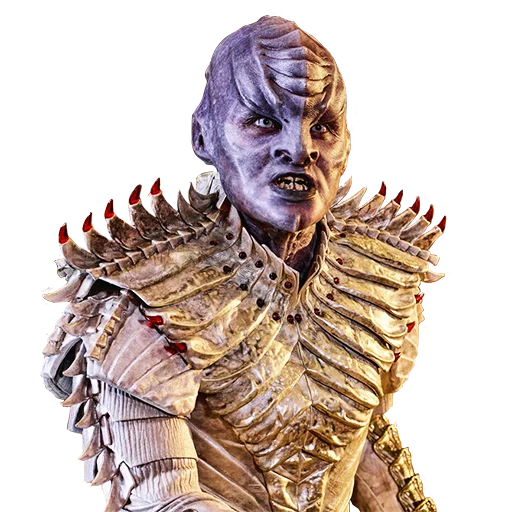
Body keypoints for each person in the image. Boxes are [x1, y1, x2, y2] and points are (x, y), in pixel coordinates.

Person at [42, 15, 443, 512]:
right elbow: (165, 497)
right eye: (263, 121)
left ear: (346, 147)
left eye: (322, 127)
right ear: (206, 137)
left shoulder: (381, 269)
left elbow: (359, 435)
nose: (299, 149)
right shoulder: (145, 287)